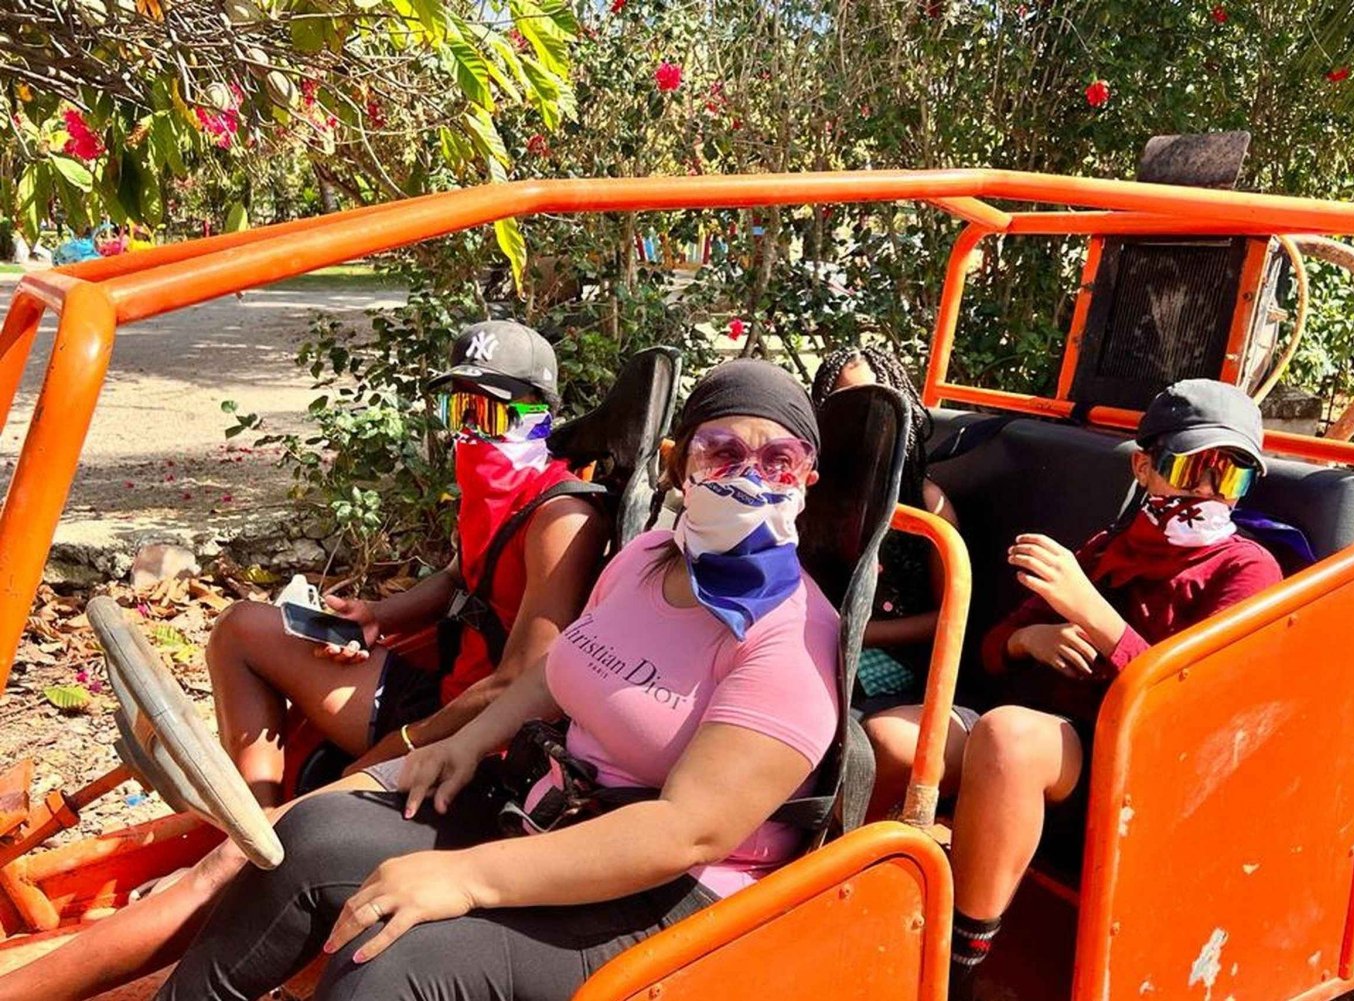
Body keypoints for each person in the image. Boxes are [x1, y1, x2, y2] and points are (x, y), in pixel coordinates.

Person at [143, 359, 841, 1000]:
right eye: (721, 449)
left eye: (778, 459)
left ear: (808, 478)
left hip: (672, 894)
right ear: (678, 464)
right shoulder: (649, 558)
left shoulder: (793, 637)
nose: (748, 475)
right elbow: (563, 668)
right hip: (551, 815)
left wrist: (467, 875)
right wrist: (467, 742)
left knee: (391, 960)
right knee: (313, 832)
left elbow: (686, 832)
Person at [937, 380, 1285, 997]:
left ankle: (960, 965)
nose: (1206, 491)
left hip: (1145, 760)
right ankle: (842, 904)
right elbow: (992, 650)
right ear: (1144, 468)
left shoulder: (1245, 569)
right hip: (1060, 735)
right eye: (1192, 467)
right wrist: (1030, 641)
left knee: (1010, 735)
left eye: (1229, 477)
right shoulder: (1105, 548)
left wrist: (1097, 618)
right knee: (890, 737)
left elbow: (1196, 704)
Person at [207, 320, 610, 805]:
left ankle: (275, 830)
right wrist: (377, 615)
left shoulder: (560, 518)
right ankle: (259, 813)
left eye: (486, 412)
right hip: (442, 690)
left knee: (324, 802)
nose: (470, 431)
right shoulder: (492, 492)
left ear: (537, 416)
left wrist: (400, 745)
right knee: (239, 628)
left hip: (480, 735)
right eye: (457, 410)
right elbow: (456, 579)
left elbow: (521, 681)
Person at [810, 344, 964, 815]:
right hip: (817, 638)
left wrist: (859, 632)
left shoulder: (926, 504)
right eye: (844, 406)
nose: (861, 422)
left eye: (874, 406)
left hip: (886, 659)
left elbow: (949, 618)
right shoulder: (813, 495)